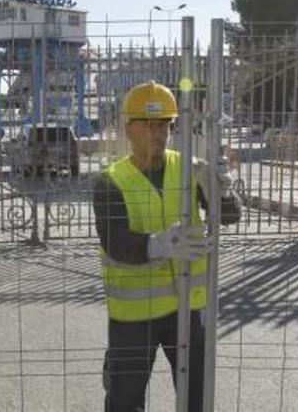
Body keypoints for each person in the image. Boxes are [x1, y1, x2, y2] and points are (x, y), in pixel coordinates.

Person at [93, 81, 241, 412]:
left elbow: (231, 216)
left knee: (196, 397)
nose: (158, 133)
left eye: (164, 124)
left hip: (187, 307)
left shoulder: (190, 168)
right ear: (129, 128)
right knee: (124, 400)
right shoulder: (110, 180)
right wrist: (157, 245)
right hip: (133, 315)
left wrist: (223, 192)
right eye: (148, 124)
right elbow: (114, 241)